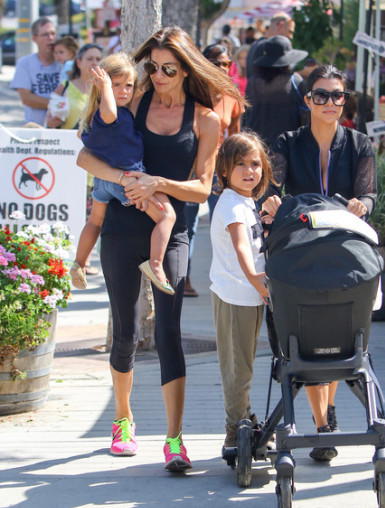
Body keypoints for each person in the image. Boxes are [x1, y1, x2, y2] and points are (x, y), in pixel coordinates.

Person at [77, 26, 244, 470]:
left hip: (174, 231)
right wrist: (124, 181)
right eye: (152, 66)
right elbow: (88, 156)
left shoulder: (206, 119)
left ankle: (174, 439)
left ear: (186, 67)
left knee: (170, 332)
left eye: (168, 67)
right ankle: (123, 418)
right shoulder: (132, 102)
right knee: (126, 329)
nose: (159, 73)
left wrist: (158, 183)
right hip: (121, 227)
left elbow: (204, 188)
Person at [261, 65, 377, 462]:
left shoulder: (359, 144)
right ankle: (323, 421)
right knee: (307, 336)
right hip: (303, 247)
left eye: (338, 95)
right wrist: (271, 201)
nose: (331, 102)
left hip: (344, 247)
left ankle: (324, 418)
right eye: (322, 95)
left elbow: (369, 194)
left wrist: (365, 204)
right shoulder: (288, 143)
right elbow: (272, 188)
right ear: (307, 100)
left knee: (332, 330)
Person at [71, 53, 176, 295]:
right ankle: (156, 265)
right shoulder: (110, 115)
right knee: (166, 215)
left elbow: (81, 136)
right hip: (128, 179)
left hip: (103, 181)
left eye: (128, 85)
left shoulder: (93, 116)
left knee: (95, 220)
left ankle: (80, 262)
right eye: (116, 84)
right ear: (102, 86)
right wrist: (106, 86)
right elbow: (109, 113)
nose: (123, 91)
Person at [210, 132, 275, 454]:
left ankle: (245, 420)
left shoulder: (245, 202)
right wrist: (254, 277)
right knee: (238, 368)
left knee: (244, 365)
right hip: (237, 295)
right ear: (224, 170)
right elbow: (240, 246)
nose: (249, 171)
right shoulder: (233, 205)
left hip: (249, 296)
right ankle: (235, 431)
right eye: (240, 165)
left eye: (255, 164)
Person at [243, 35, 308, 148]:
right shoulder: (295, 81)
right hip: (288, 148)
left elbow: (247, 116)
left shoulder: (253, 83)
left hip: (257, 148)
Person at [202, 43, 243, 219]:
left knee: (218, 218)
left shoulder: (231, 94)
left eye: (225, 64)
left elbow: (235, 135)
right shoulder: (192, 92)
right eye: (215, 63)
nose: (221, 68)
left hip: (217, 165)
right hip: (189, 164)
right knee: (186, 225)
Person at [10, 17, 60, 126]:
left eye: (53, 33)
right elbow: (27, 99)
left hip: (64, 129)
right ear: (34, 38)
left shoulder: (65, 63)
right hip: (36, 129)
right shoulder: (24, 64)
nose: (50, 38)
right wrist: (60, 105)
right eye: (45, 35)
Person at [46, 43, 103, 130]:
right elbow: (50, 117)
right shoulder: (65, 87)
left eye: (98, 59)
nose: (94, 62)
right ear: (78, 62)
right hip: (68, 140)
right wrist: (51, 122)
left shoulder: (106, 89)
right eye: (90, 59)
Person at [246, 12, 296, 79]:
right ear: (280, 26)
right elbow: (274, 80)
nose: (291, 37)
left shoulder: (255, 45)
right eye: (290, 31)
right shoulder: (268, 48)